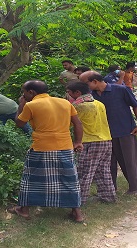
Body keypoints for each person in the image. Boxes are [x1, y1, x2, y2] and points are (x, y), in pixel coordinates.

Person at [9, 80, 85, 222]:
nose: (23, 95)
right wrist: (78, 142)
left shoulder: (31, 105)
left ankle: (23, 210)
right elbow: (77, 124)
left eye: (23, 92)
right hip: (65, 147)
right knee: (69, 179)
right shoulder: (65, 102)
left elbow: (19, 123)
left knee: (30, 178)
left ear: (31, 92)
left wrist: (21, 104)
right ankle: (77, 213)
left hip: (41, 147)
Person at [78, 71, 137, 195]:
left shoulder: (121, 90)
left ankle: (135, 187)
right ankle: (110, 188)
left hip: (125, 131)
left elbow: (135, 106)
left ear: (94, 81)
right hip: (103, 135)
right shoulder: (91, 96)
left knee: (128, 161)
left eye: (84, 83)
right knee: (107, 164)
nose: (82, 86)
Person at [66, 81, 116, 204]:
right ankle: (108, 196)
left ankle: (79, 200)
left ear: (77, 93)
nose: (68, 95)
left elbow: (70, 124)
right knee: (103, 170)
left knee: (84, 171)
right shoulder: (99, 104)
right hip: (106, 140)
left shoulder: (79, 106)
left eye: (69, 93)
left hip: (90, 142)